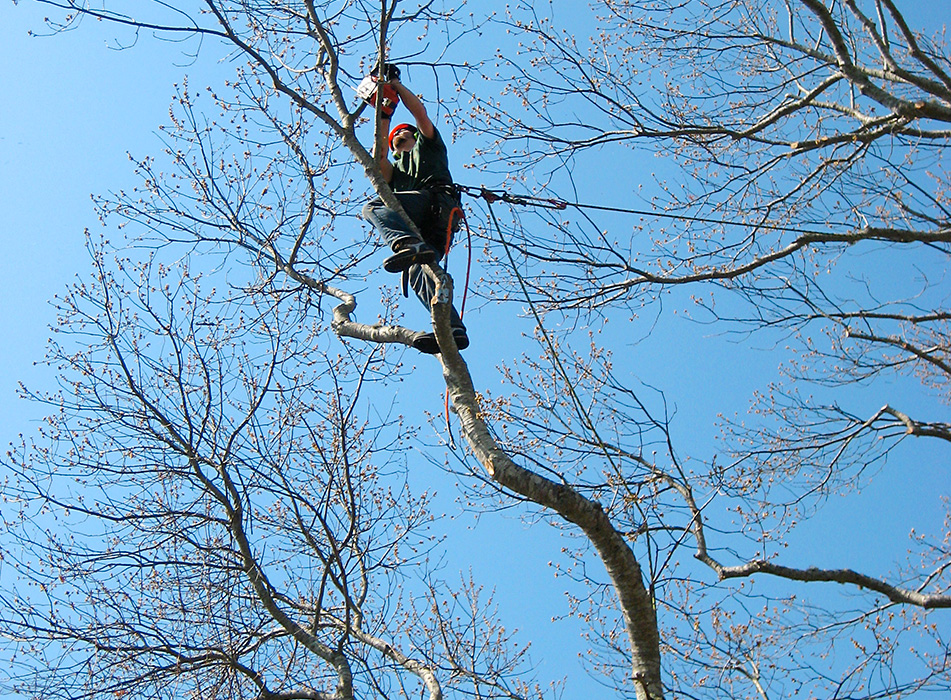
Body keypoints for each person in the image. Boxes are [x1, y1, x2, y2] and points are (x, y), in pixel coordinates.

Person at [361, 76, 469, 355]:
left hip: (437, 203)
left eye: (403, 134)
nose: (398, 138)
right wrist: (382, 112)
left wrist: (395, 86)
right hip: (424, 227)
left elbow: (419, 114)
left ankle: (406, 245)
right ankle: (450, 329)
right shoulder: (394, 172)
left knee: (373, 207)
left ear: (414, 135)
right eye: (394, 137)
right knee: (418, 271)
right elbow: (379, 158)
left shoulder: (428, 145)